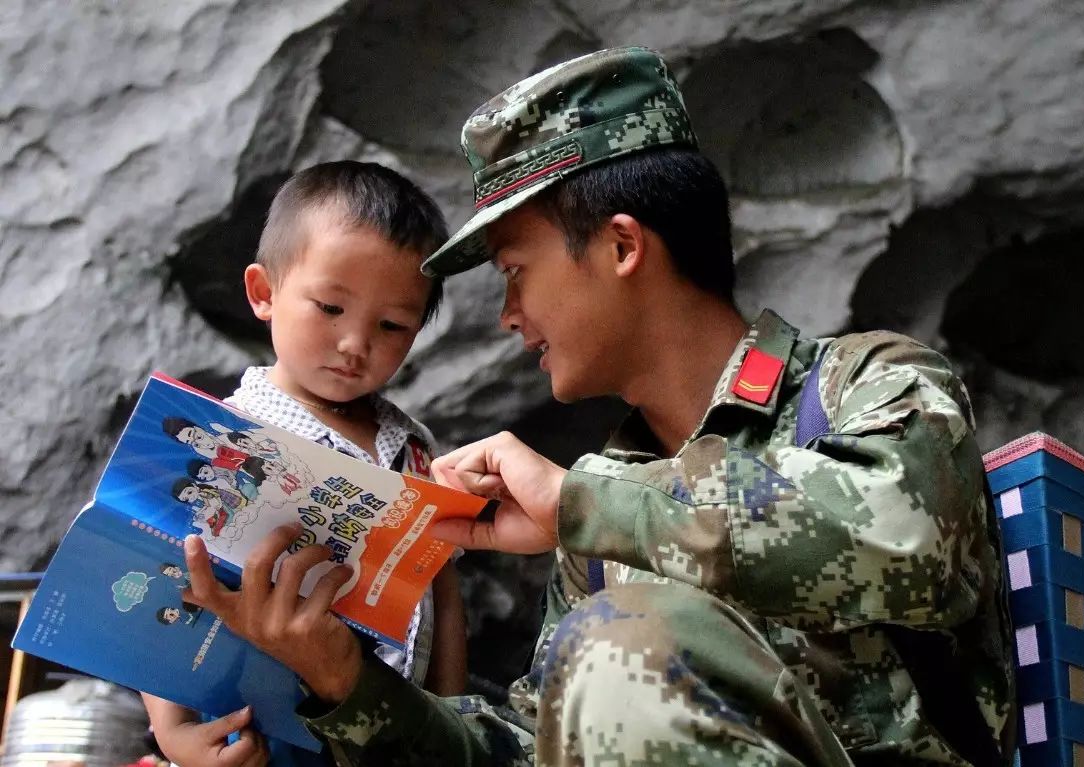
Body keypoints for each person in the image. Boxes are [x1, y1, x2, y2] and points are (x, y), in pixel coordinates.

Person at [184, 47, 1016, 766]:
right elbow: (529, 742)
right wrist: (340, 677)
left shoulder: (867, 383)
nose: (509, 314)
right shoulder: (604, 517)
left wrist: (582, 505)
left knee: (619, 641)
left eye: (515, 271)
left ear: (621, 245)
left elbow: (903, 537)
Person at [144, 160, 468, 767]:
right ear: (264, 293)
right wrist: (173, 733)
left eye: (392, 324)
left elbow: (441, 596)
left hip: (396, 739)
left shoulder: (414, 446)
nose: (355, 344)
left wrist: (457, 725)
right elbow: (171, 585)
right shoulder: (227, 436)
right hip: (262, 738)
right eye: (329, 308)